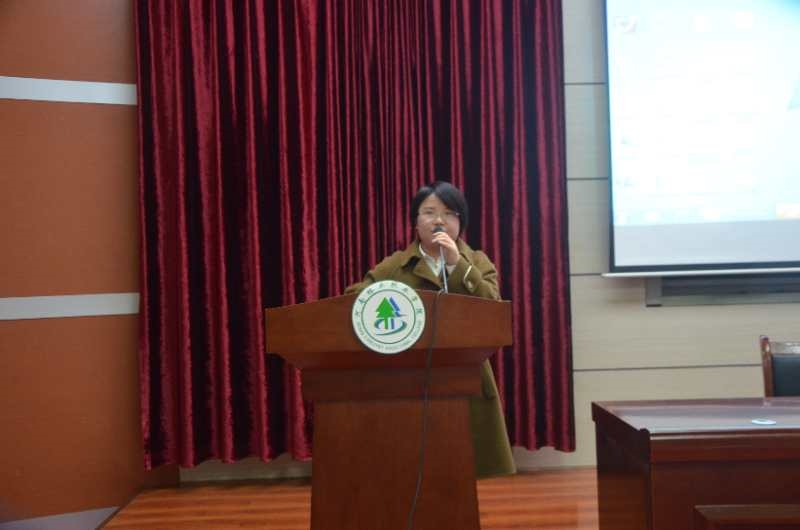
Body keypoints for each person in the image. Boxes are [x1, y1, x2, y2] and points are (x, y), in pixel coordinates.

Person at [345, 181, 516, 478]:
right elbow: (353, 299)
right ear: (415, 222)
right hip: (408, 379)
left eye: (449, 213)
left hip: (466, 379)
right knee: (411, 470)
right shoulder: (396, 265)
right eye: (429, 212)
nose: (439, 220)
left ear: (460, 223)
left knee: (461, 472)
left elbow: (492, 309)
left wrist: (456, 265)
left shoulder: (476, 262)